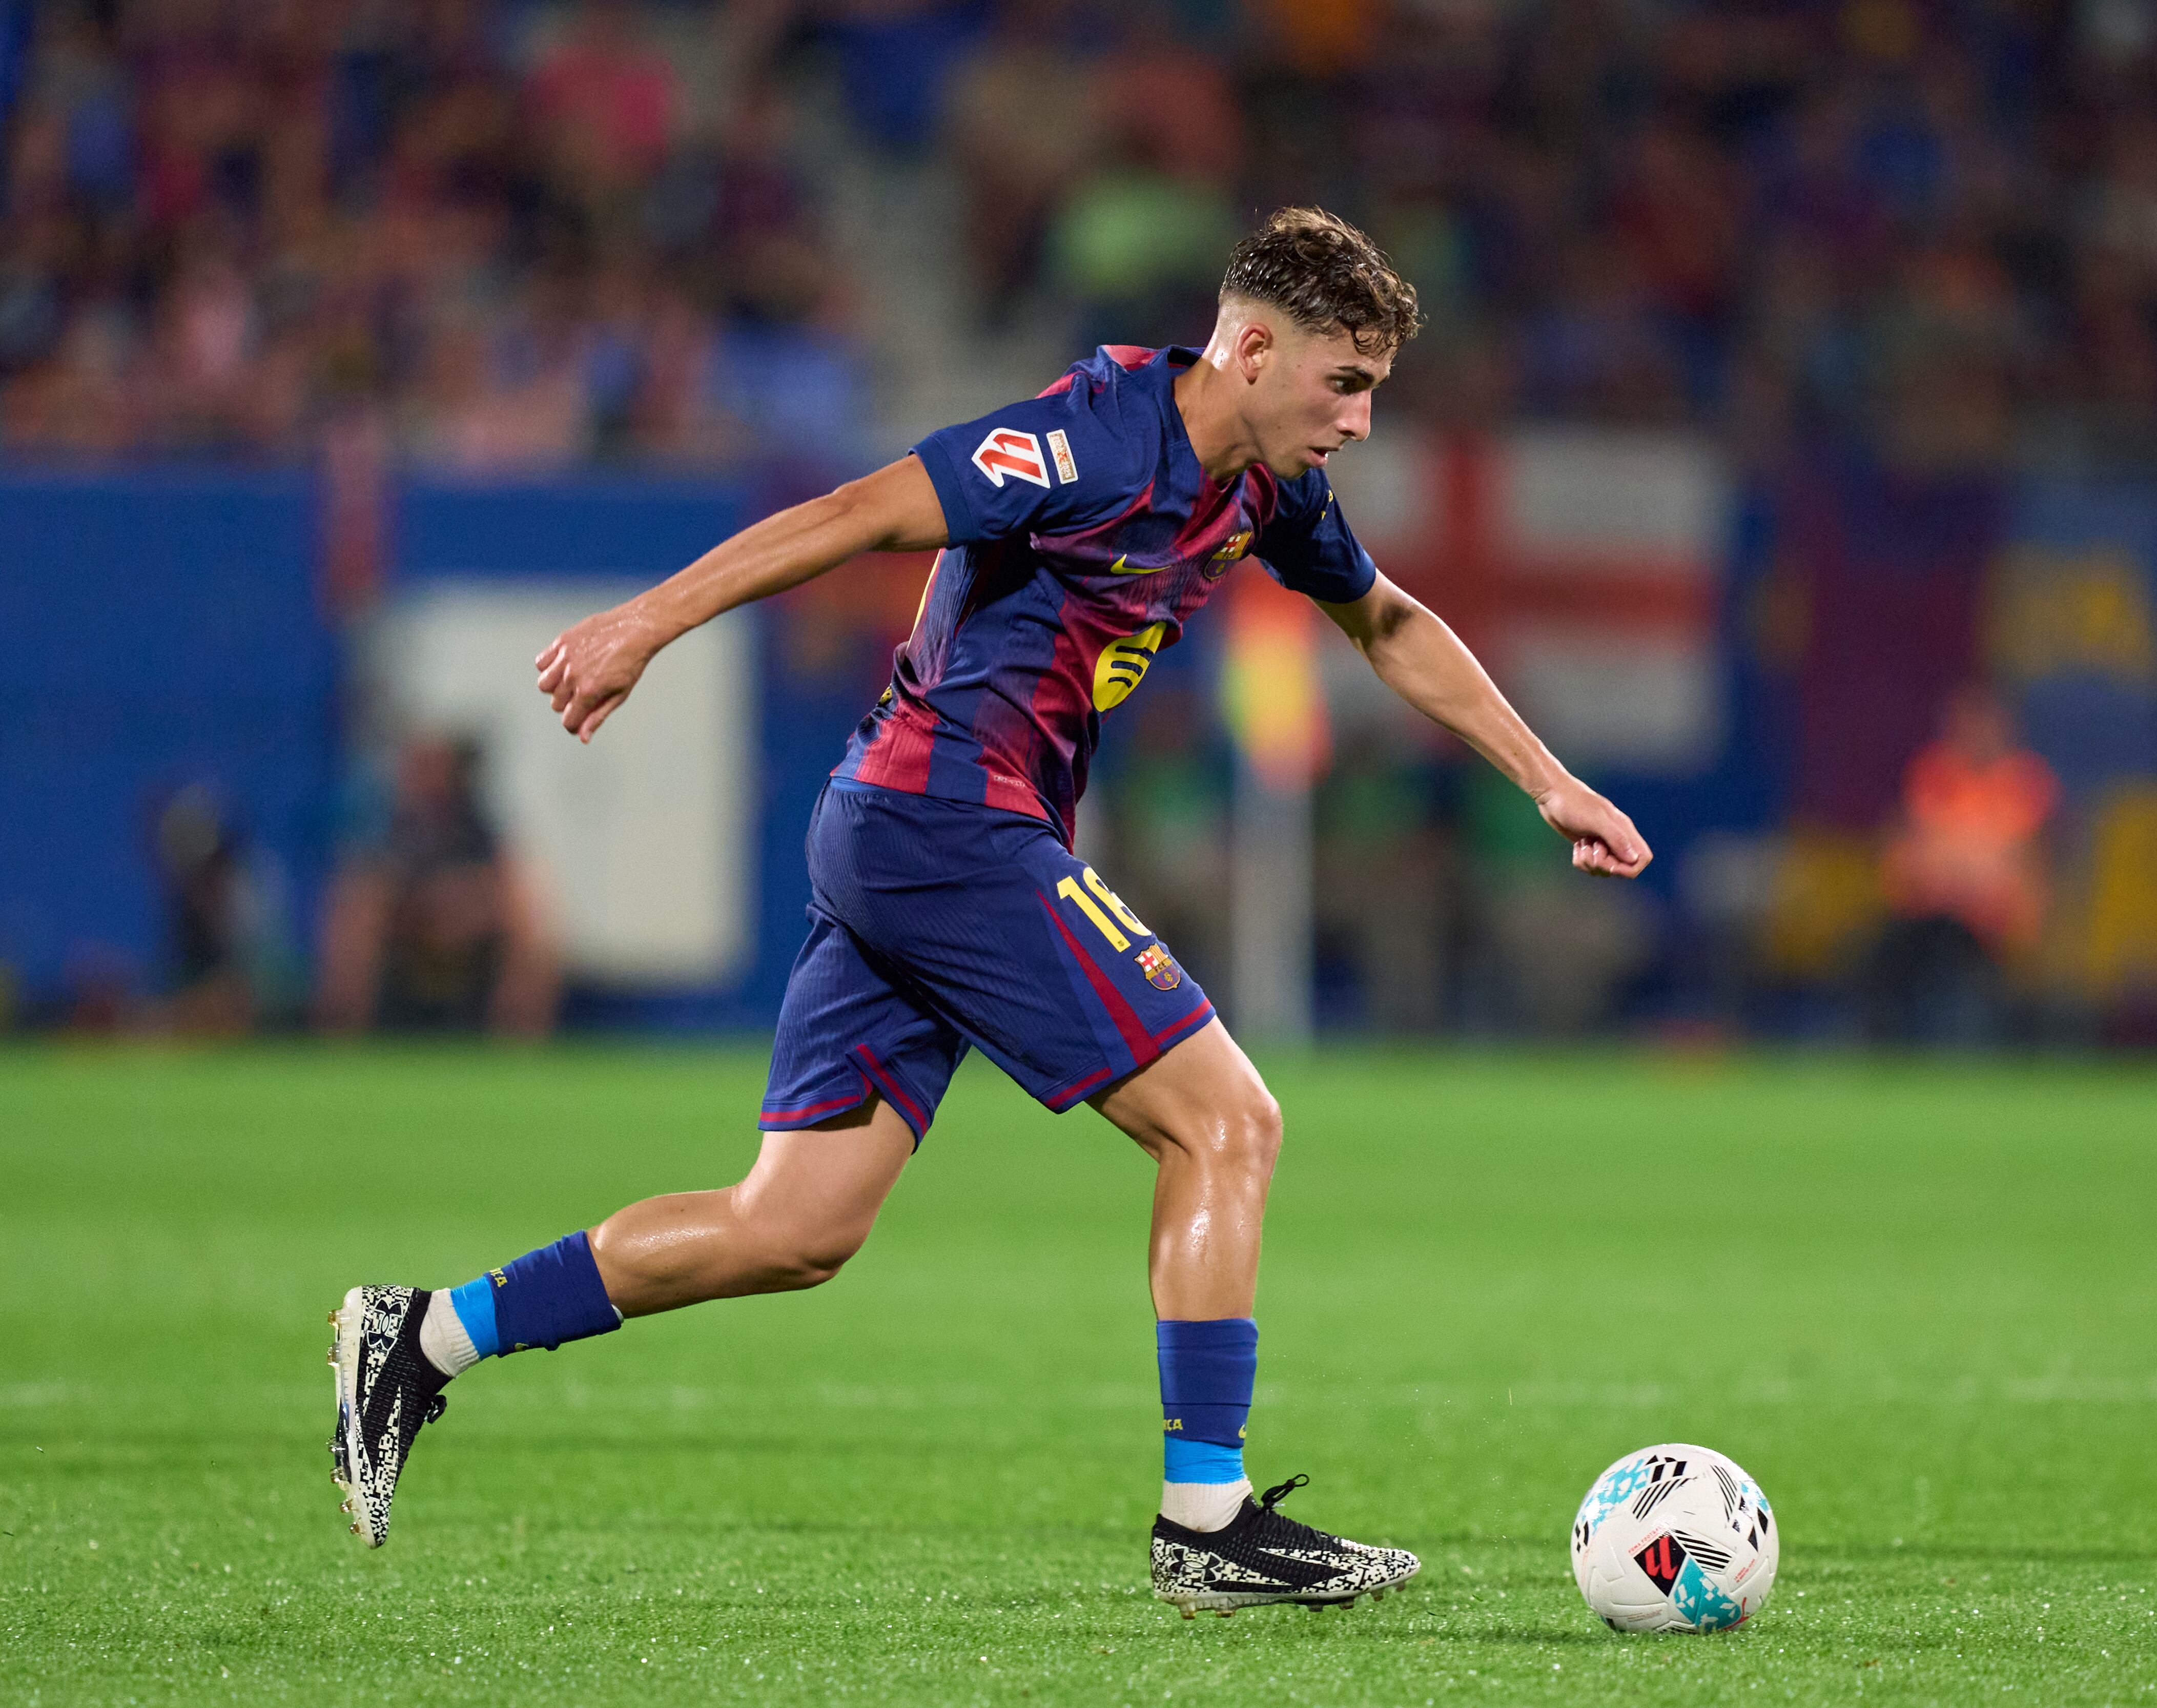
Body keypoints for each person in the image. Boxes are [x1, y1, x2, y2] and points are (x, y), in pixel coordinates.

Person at [327, 209, 1651, 1616]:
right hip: (946, 822)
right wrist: (642, 622)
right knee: (1230, 1120)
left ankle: (427, 1334)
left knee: (796, 1227)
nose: (1365, 421)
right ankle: (1207, 1516)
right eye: (1347, 382)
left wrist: (1548, 778)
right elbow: (851, 515)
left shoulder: (1263, 486)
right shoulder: (1086, 439)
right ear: (1253, 350)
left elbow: (1386, 620)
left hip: (909, 833)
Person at [312, 736, 561, 1039]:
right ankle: (342, 1036)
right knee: (357, 913)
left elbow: (503, 882)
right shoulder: (393, 824)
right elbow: (375, 882)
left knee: (529, 917)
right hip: (408, 928)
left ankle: (518, 1042)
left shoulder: (475, 826)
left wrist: (460, 905)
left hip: (469, 929)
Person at [1865, 686, 2057, 1044]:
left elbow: (2021, 865)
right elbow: (1911, 853)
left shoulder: (2023, 780)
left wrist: (1966, 875)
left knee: (1960, 940)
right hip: (1935, 910)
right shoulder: (1936, 773)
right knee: (1887, 947)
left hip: (1994, 919)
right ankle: (1889, 1044)